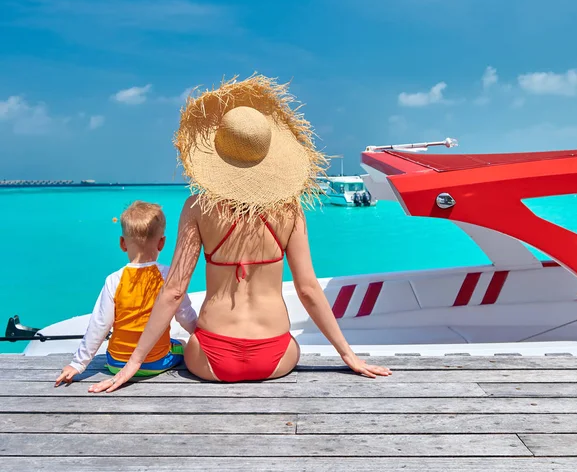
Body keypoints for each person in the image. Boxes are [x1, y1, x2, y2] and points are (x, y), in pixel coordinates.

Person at [89, 75, 391, 392]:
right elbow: (308, 289)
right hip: (275, 357)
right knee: (291, 344)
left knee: (180, 346)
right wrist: (349, 355)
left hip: (210, 358)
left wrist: (133, 364)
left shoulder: (197, 207)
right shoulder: (289, 210)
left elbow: (174, 291)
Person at [55, 201, 197, 386]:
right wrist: (200, 335)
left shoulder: (114, 280)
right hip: (155, 363)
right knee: (181, 344)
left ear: (122, 243)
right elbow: (185, 316)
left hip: (116, 363)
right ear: (162, 242)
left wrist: (78, 364)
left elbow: (99, 325)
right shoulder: (168, 276)